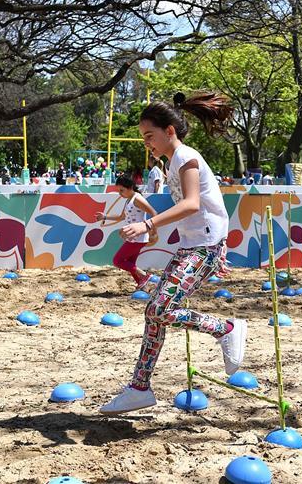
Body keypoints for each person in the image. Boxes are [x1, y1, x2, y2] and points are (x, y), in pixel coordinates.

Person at [99, 91, 247, 415]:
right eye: (143, 138)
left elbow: (192, 204)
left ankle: (225, 329)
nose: (146, 144)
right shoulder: (172, 163)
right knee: (154, 311)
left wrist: (148, 224)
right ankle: (139, 387)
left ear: (169, 131)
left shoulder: (185, 157)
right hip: (192, 245)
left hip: (206, 246)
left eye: (149, 136)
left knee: (159, 308)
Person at [95, 176, 157, 289]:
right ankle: (141, 285)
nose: (120, 194)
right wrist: (105, 216)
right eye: (119, 191)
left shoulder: (138, 199)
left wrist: (153, 232)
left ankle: (144, 276)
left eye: (121, 190)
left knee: (117, 260)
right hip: (133, 237)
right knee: (130, 263)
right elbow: (121, 217)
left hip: (138, 237)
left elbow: (154, 213)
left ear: (130, 187)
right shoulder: (129, 199)